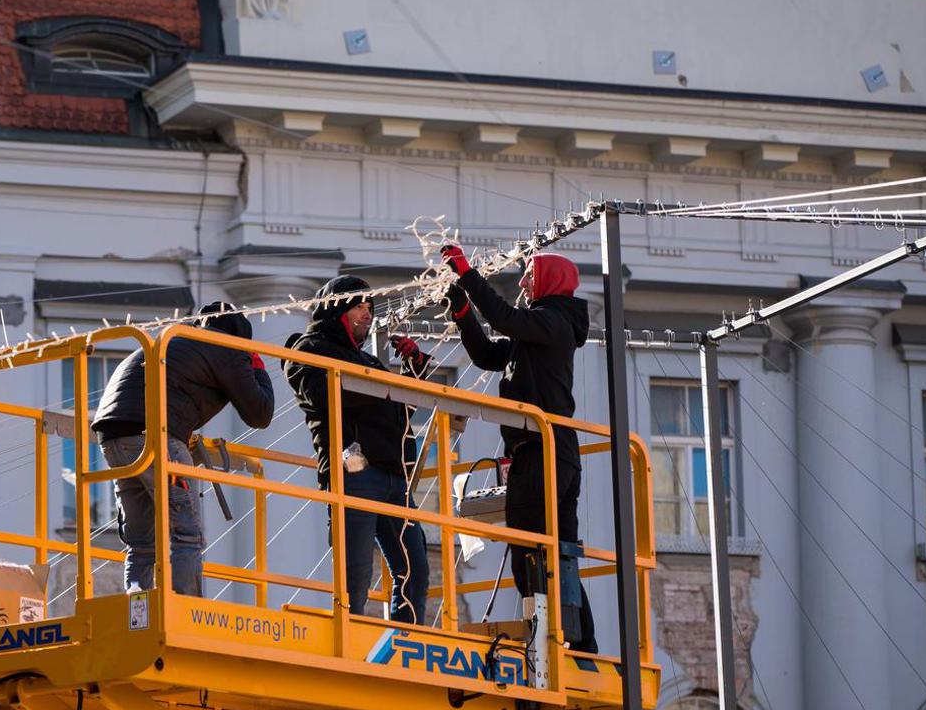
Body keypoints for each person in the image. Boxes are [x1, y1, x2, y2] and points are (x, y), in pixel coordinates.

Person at [441, 244, 597, 653]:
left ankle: (552, 637)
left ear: (551, 281)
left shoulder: (552, 322)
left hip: (543, 451)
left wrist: (467, 275)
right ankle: (578, 643)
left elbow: (504, 318)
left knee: (532, 549)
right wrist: (462, 313)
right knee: (555, 552)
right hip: (546, 451)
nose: (523, 283)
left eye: (530, 275)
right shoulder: (539, 331)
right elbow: (486, 355)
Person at [91, 302, 274, 597]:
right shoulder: (225, 349)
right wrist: (255, 363)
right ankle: (184, 607)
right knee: (187, 534)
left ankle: (137, 609)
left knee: (141, 542)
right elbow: (260, 413)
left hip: (112, 436)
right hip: (155, 436)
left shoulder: (176, 341)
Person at [284, 275, 431, 626]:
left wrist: (414, 371)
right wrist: (379, 384)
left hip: (394, 477)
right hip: (356, 473)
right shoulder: (307, 348)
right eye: (359, 307)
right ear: (337, 311)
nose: (367, 314)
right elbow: (319, 393)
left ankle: (403, 645)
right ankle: (349, 643)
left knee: (416, 569)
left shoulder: (369, 362)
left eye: (370, 308)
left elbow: (399, 411)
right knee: (355, 575)